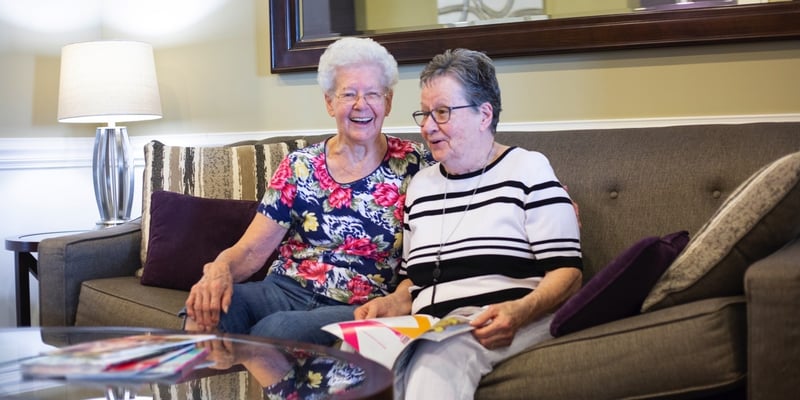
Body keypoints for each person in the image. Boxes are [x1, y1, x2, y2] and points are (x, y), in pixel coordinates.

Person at [354, 48, 583, 399]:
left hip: (503, 323)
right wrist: (389, 306)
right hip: (432, 329)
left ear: (484, 114)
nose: (428, 127)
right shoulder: (421, 187)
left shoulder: (528, 169)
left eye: (442, 113)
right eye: (425, 114)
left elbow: (568, 274)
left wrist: (519, 311)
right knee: (357, 365)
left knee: (437, 361)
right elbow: (413, 283)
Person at [183, 37, 431, 346]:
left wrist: (399, 300)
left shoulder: (416, 165)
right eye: (348, 94)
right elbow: (251, 251)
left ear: (388, 102)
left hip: (356, 304)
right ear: (329, 102)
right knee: (205, 313)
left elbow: (431, 260)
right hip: (282, 289)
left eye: (372, 94)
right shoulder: (300, 165)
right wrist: (217, 271)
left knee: (277, 332)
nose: (361, 105)